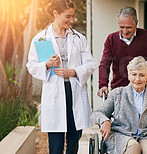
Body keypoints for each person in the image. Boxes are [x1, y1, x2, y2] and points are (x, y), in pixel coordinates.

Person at [26, 0, 96, 153]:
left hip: (74, 90)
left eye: (73, 16)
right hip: (55, 93)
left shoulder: (79, 38)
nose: (71, 20)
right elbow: (31, 66)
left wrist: (73, 72)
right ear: (55, 13)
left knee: (73, 138)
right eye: (67, 16)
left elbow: (90, 64)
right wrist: (47, 65)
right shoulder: (41, 39)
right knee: (56, 142)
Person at [92, 56, 147, 154]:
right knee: (134, 147)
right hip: (122, 135)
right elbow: (97, 113)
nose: (137, 79)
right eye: (134, 74)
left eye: (142, 75)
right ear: (129, 75)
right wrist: (105, 121)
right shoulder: (117, 94)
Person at [97, 6, 147, 97]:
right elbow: (105, 64)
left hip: (142, 90)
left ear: (136, 23)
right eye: (121, 27)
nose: (124, 31)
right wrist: (103, 85)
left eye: (128, 27)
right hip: (119, 90)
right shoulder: (111, 39)